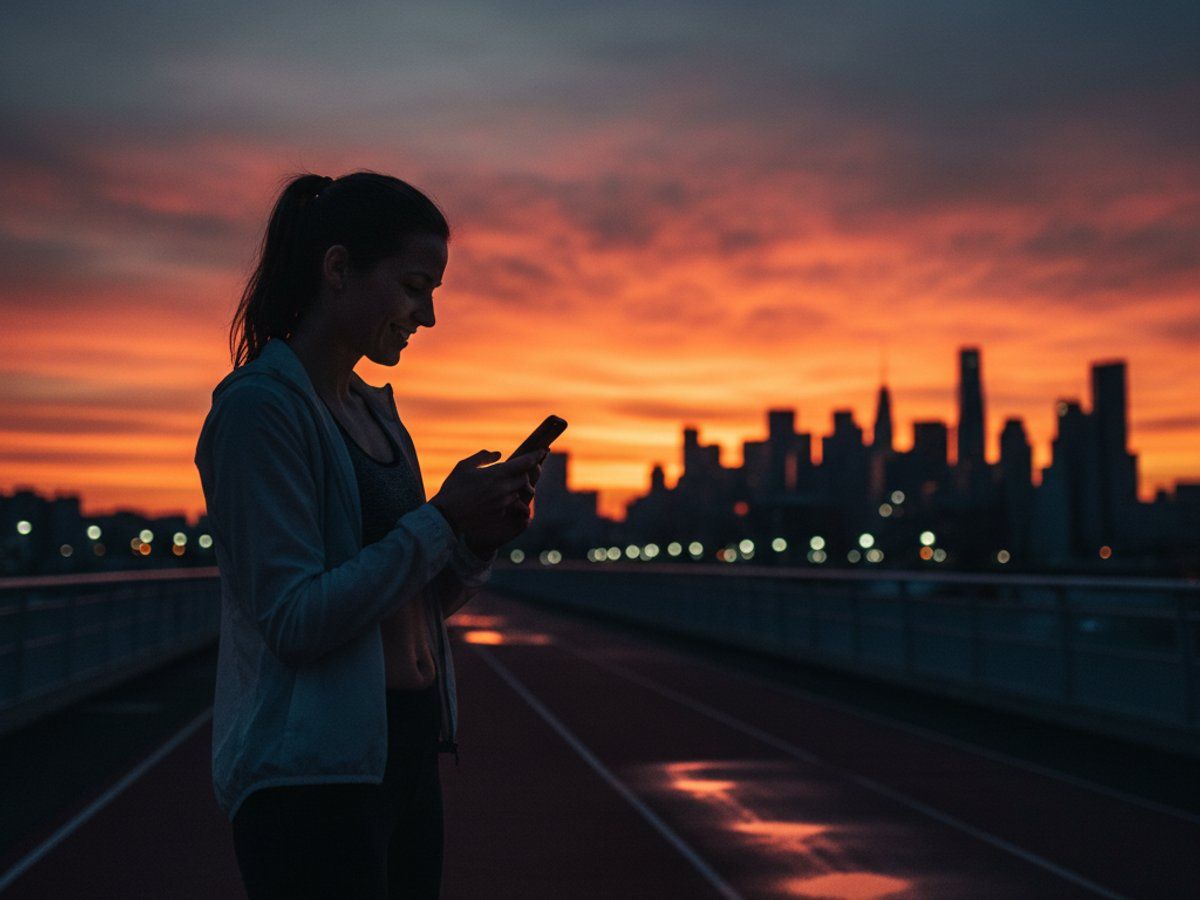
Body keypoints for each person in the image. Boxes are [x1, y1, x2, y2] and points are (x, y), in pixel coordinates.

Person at [193, 171, 544, 898]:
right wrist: (441, 518)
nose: (428, 316)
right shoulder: (261, 412)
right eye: (416, 286)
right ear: (339, 269)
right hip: (311, 780)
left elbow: (404, 602)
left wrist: (475, 541)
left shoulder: (377, 415)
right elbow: (294, 620)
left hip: (405, 755)